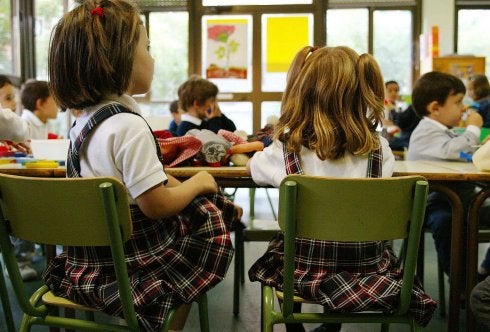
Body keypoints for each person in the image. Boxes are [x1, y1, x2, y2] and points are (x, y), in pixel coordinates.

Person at [43, 1, 240, 331]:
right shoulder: (128, 126)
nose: (153, 57)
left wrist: (194, 188)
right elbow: (156, 204)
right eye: (146, 48)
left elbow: (150, 182)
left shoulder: (81, 124)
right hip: (130, 267)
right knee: (209, 225)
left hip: (86, 264)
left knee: (206, 205)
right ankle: (166, 325)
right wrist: (200, 183)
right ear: (117, 58)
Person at [247, 45, 436, 332]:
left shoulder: (287, 148)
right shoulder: (378, 148)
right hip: (368, 270)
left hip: (301, 269)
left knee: (285, 247)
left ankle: (293, 325)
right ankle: (331, 326)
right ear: (362, 91)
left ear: (303, 91)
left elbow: (255, 171)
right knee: (350, 239)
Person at [406, 71, 488, 278]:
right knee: (447, 222)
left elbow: (463, 153)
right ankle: (462, 283)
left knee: (458, 216)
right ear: (435, 108)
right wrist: (473, 128)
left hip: (462, 200)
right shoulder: (425, 131)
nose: (463, 108)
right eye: (458, 102)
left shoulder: (444, 131)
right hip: (434, 203)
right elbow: (453, 151)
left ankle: (482, 272)